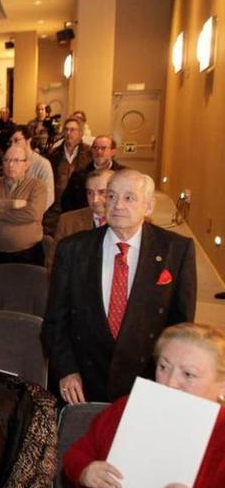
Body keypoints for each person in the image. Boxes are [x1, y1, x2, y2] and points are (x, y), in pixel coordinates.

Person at [43, 169, 197, 403]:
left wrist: (167, 384)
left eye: (129, 198)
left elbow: (181, 328)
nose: (117, 205)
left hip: (145, 383)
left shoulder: (175, 251)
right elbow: (55, 321)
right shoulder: (73, 249)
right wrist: (66, 371)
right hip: (82, 386)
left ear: (148, 207)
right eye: (112, 196)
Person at [63, 323, 225, 487]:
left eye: (189, 374)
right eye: (163, 367)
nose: (170, 382)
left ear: (222, 385)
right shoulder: (128, 406)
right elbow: (77, 454)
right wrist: (85, 471)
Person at [0, 145, 47, 270]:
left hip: (28, 255)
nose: (10, 165)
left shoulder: (37, 186)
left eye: (16, 160)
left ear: (26, 165)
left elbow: (32, 214)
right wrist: (12, 204)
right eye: (6, 160)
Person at [44, 117, 92, 233]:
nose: (68, 133)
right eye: (66, 130)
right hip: (55, 207)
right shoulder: (53, 154)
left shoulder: (89, 154)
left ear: (80, 133)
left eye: (72, 130)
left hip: (79, 206)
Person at [60, 135, 124, 213]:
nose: (99, 152)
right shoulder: (79, 175)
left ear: (113, 151)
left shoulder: (123, 175)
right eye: (95, 148)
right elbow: (67, 203)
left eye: (103, 148)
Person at [54, 168, 115, 245]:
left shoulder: (130, 221)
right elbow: (55, 256)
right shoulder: (67, 222)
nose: (94, 200)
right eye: (90, 193)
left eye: (102, 192)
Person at [9, 126, 55, 211]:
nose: (12, 145)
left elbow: (49, 197)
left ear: (28, 140)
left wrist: (30, 214)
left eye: (16, 141)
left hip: (34, 215)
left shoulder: (43, 164)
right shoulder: (11, 163)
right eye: (10, 142)